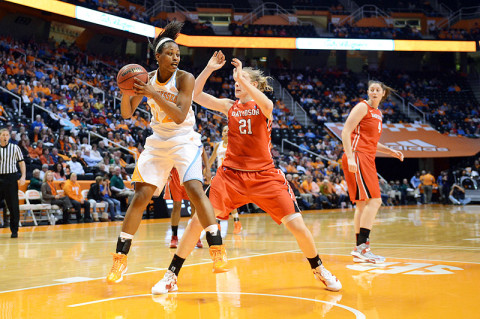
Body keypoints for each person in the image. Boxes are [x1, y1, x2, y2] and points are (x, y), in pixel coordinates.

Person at [151, 51, 341, 295]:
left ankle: (319, 269)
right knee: (198, 220)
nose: (236, 84)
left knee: (297, 225)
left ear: (255, 85)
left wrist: (244, 79)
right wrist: (209, 68)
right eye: (234, 81)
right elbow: (195, 95)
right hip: (230, 176)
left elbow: (269, 104)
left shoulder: (263, 107)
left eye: (241, 80)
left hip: (264, 175)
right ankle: (171, 275)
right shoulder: (229, 106)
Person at [106, 21, 226, 285]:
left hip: (184, 140)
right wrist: (126, 91)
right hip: (158, 141)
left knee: (194, 189)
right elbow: (127, 113)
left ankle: (217, 249)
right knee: (140, 196)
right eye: (170, 54)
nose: (175, 58)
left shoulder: (185, 78)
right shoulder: (144, 78)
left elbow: (180, 115)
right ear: (158, 56)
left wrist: (153, 93)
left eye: (178, 55)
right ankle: (120, 259)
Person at [341, 80, 404, 264]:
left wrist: (390, 151)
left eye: (378, 90)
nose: (374, 92)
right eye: (372, 89)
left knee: (362, 205)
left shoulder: (378, 113)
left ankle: (359, 249)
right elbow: (345, 131)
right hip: (358, 156)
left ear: (383, 93)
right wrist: (351, 157)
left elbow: (372, 142)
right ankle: (362, 248)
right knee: (375, 200)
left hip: (367, 156)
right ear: (368, 92)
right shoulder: (362, 107)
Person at [208, 126, 242, 234]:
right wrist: (206, 171)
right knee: (218, 200)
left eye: (228, 130)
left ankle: (237, 222)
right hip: (220, 175)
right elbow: (212, 159)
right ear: (222, 134)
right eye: (224, 130)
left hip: (231, 175)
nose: (227, 131)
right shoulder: (218, 145)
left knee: (229, 200)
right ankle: (217, 223)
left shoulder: (235, 145)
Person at [164, 168, 203, 248]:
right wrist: (166, 171)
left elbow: (203, 155)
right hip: (175, 174)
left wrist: (207, 168)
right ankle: (174, 237)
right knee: (176, 205)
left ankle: (196, 237)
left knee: (194, 206)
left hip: (190, 173)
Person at [0, 128, 26, 238]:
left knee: (13, 205)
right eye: (3, 135)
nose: (5, 137)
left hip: (11, 178)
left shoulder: (15, 148)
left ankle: (14, 230)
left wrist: (23, 176)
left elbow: (21, 163)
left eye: (7, 135)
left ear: (9, 136)